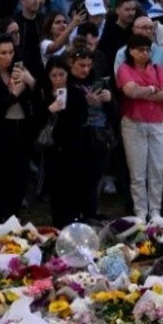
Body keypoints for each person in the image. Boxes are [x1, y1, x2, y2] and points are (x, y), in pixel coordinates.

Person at [48, 46, 114, 224]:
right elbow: (64, 115)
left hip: (97, 140)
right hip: (73, 143)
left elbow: (113, 111)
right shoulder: (67, 84)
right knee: (72, 183)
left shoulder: (97, 81)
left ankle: (89, 217)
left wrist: (108, 100)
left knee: (92, 183)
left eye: (88, 65)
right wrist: (83, 102)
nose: (85, 69)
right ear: (72, 64)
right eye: (81, 65)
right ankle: (71, 220)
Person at [0, 35, 38, 223]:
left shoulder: (19, 70)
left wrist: (31, 81)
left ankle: (14, 214)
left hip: (22, 128)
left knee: (19, 173)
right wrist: (12, 95)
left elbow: (37, 98)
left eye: (11, 52)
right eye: (3, 53)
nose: (8, 56)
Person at [116, 34, 163, 223]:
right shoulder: (125, 68)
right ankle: (140, 210)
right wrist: (152, 89)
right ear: (131, 51)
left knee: (157, 168)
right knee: (138, 171)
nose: (145, 53)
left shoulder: (157, 68)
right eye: (141, 49)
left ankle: (155, 210)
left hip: (157, 121)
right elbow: (130, 91)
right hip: (134, 122)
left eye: (148, 49)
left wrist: (144, 91)